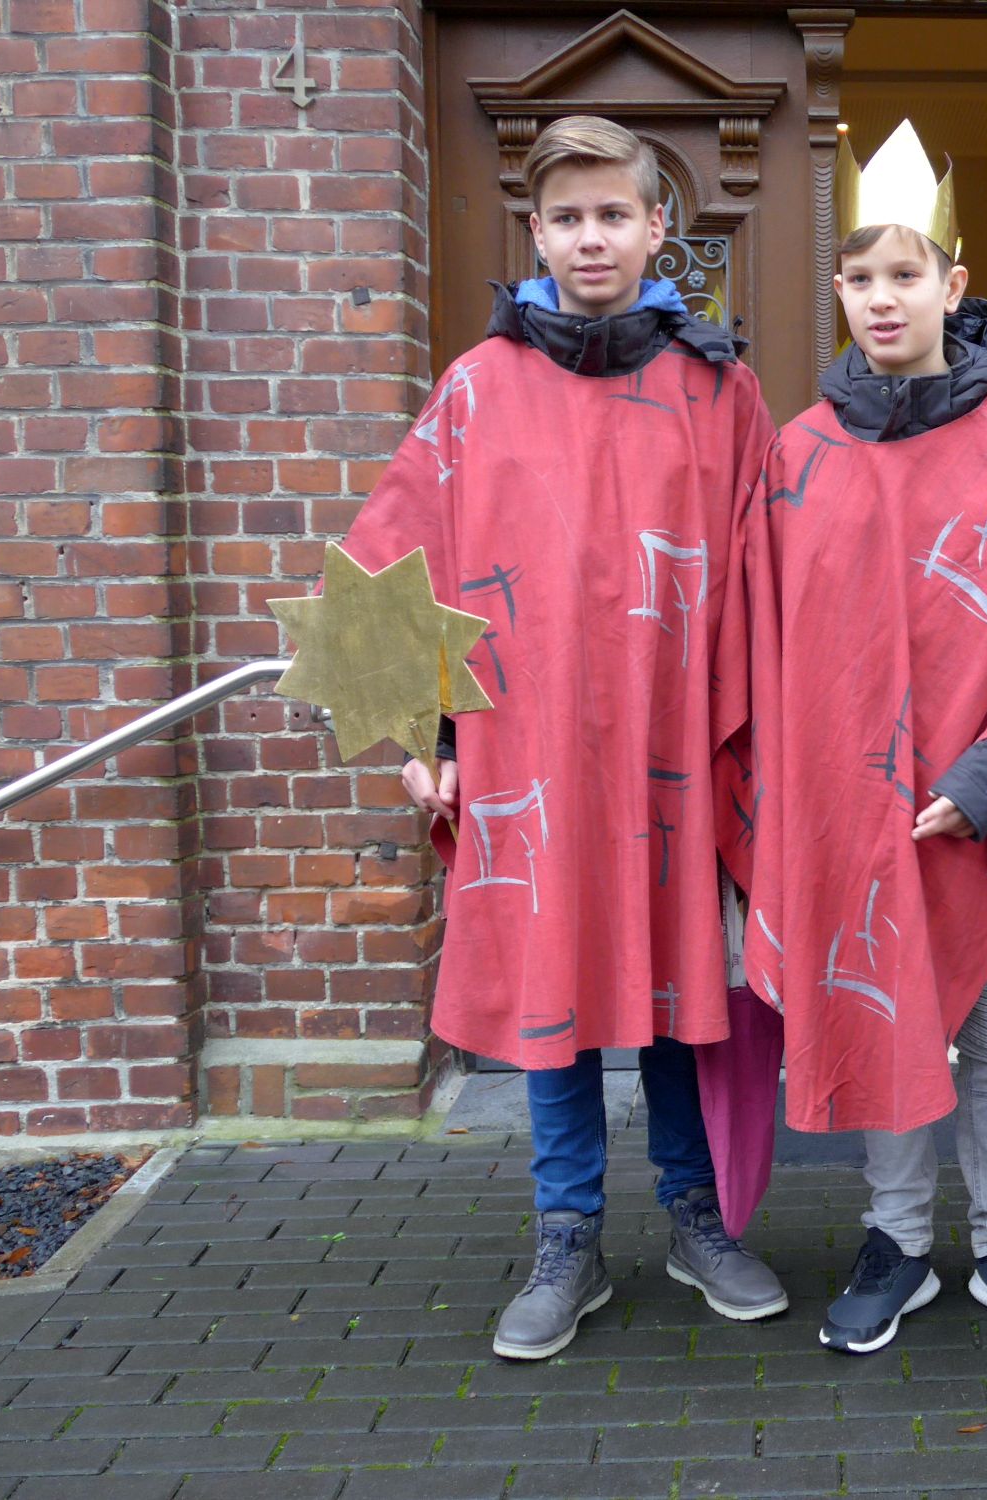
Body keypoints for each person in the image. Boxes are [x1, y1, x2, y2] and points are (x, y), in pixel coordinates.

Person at [334, 115, 787, 1362]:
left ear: (656, 228)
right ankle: (567, 1234)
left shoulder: (718, 390)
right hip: (529, 744)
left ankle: (695, 1215)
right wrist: (420, 731)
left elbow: (767, 573)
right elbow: (392, 565)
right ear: (536, 233)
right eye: (569, 218)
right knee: (555, 986)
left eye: (614, 215)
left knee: (680, 994)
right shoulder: (477, 388)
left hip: (673, 748)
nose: (593, 238)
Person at [713, 121, 987, 1356]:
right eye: (859, 277)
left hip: (980, 800)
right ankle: (894, 1240)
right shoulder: (798, 454)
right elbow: (759, 635)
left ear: (952, 279)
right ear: (837, 291)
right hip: (846, 799)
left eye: (904, 273)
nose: (881, 298)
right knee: (877, 1010)